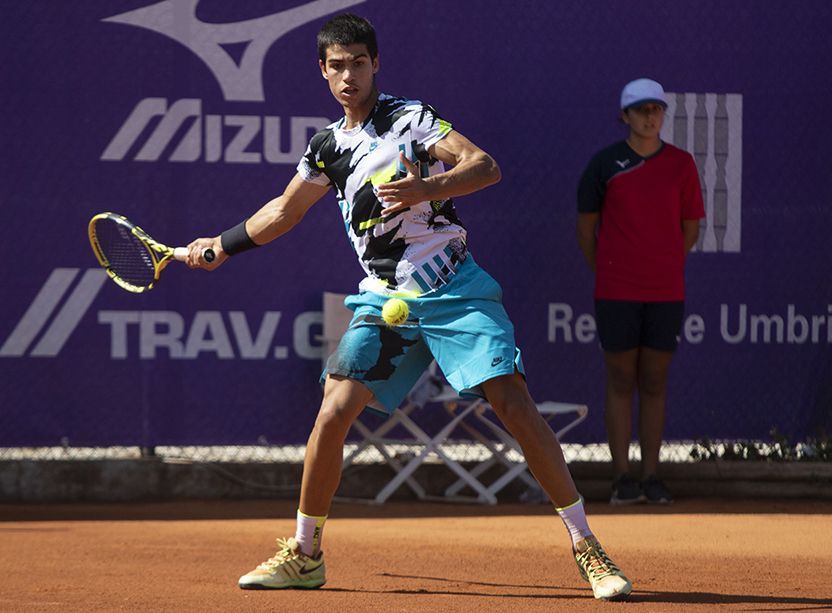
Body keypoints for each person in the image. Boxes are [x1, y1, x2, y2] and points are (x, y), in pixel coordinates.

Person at [186, 13, 631, 601]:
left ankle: (587, 547)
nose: (349, 75)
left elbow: (484, 166)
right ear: (322, 71)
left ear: (376, 64)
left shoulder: (409, 118)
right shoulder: (326, 148)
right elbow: (284, 211)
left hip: (454, 288)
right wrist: (222, 244)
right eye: (337, 65)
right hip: (386, 297)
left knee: (512, 401)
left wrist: (427, 189)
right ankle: (306, 553)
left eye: (359, 63)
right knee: (332, 411)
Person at [576, 78, 705, 505]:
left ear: (663, 114)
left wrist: (662, 264)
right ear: (626, 116)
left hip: (666, 289)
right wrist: (614, 271)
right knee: (620, 379)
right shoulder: (604, 164)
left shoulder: (683, 165)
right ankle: (622, 479)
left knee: (653, 380)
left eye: (657, 109)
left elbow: (690, 229)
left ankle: (651, 476)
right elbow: (585, 230)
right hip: (616, 290)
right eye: (641, 109)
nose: (650, 116)